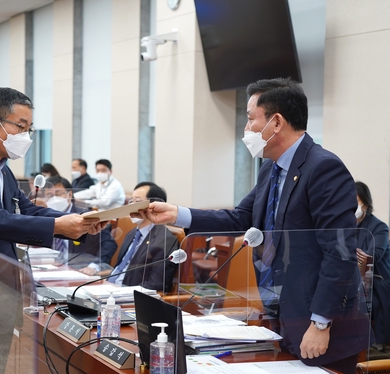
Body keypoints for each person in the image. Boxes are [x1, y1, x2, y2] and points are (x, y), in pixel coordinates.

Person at [135, 78, 370, 373]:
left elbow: (340, 252)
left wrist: (321, 322)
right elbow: (241, 218)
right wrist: (177, 214)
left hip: (321, 326)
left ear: (276, 122)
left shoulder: (323, 168)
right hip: (281, 313)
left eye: (249, 119)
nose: (246, 129)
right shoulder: (271, 167)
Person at [0, 87, 105, 322]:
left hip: (1, 288)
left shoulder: (3, 169)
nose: (26, 136)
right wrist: (57, 226)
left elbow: (27, 210)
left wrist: (80, 221)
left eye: (29, 129)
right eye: (21, 127)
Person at [109, 182, 178, 293]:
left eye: (138, 202)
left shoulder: (164, 240)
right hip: (109, 288)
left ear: (155, 206)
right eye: (131, 201)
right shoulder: (132, 233)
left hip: (128, 296)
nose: (132, 206)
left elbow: (156, 284)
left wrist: (121, 293)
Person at [47, 175, 117, 275]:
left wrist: (94, 265)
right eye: (50, 195)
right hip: (52, 269)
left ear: (69, 195)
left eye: (58, 194)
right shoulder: (47, 217)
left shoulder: (85, 216)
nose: (54, 199)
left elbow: (109, 244)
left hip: (79, 270)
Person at [354, 181, 390, 351]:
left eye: (356, 202)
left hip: (376, 281)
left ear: (366, 205)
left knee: (372, 302)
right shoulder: (344, 226)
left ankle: (374, 343)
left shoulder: (379, 227)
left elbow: (372, 256)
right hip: (351, 280)